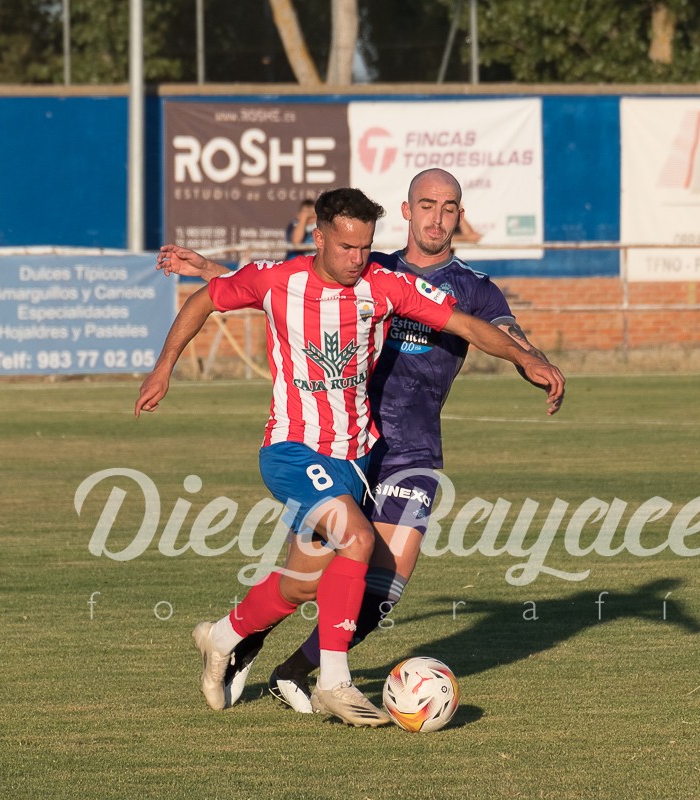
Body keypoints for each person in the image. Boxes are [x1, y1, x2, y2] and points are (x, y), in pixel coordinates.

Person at [141, 187, 564, 727]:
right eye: (347, 246)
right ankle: (333, 682)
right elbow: (250, 287)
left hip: (369, 453)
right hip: (293, 448)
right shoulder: (313, 274)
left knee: (307, 582)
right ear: (406, 212)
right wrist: (164, 366)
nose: (357, 257)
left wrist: (532, 360)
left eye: (365, 247)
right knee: (358, 541)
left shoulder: (389, 284)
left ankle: (224, 637)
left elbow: (473, 327)